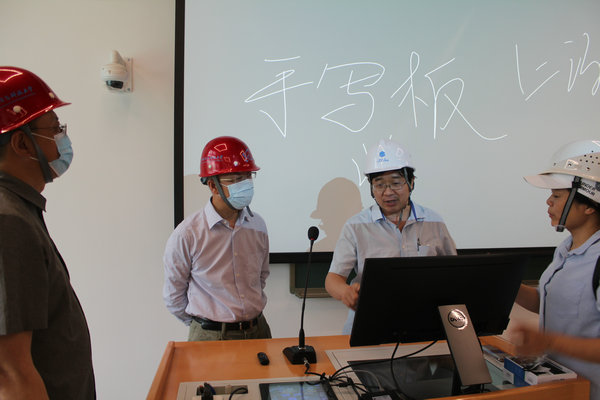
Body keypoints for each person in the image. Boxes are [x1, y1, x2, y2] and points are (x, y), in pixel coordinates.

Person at [0, 67, 96, 399]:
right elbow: (10, 374)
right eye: (55, 129)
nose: (62, 139)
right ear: (22, 143)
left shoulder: (19, 210)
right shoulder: (8, 222)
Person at [325, 138, 457, 334]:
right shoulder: (356, 226)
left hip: (424, 326)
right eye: (379, 185)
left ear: (411, 182)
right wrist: (346, 292)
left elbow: (454, 274)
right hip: (370, 327)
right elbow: (332, 279)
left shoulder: (434, 222)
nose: (387, 192)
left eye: (396, 183)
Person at [514, 140, 600, 400]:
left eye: (557, 196)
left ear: (589, 204)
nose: (548, 202)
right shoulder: (566, 248)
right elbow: (550, 302)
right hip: (564, 388)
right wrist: (506, 285)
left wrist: (548, 341)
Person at [163, 136, 272, 341]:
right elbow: (173, 296)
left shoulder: (257, 225)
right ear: (213, 186)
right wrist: (203, 327)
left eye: (247, 176)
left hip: (258, 331)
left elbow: (261, 277)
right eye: (236, 179)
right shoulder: (188, 234)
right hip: (210, 336)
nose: (245, 184)